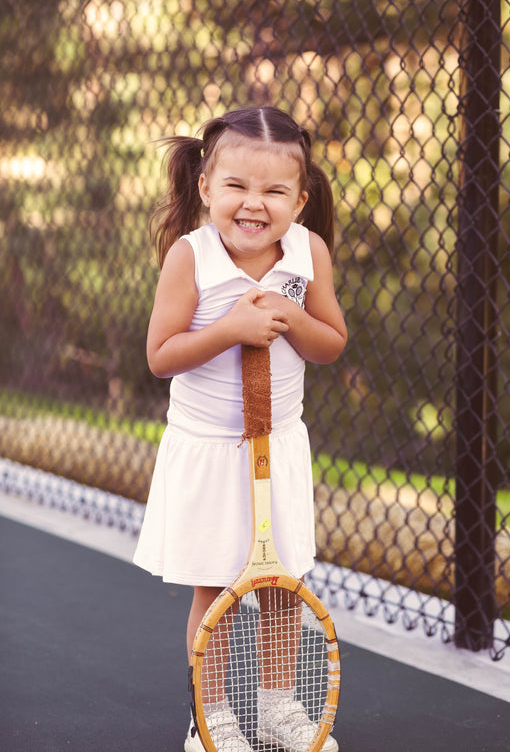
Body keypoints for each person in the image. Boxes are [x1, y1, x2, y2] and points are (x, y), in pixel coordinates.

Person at [133, 106, 347, 752]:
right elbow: (160, 354)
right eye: (236, 186)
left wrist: (291, 315)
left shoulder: (308, 253)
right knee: (215, 584)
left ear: (299, 199)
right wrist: (229, 328)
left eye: (274, 191)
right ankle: (211, 713)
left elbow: (330, 342)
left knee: (284, 585)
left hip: (276, 447)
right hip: (207, 449)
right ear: (205, 186)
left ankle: (278, 704)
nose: (253, 204)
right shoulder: (189, 256)